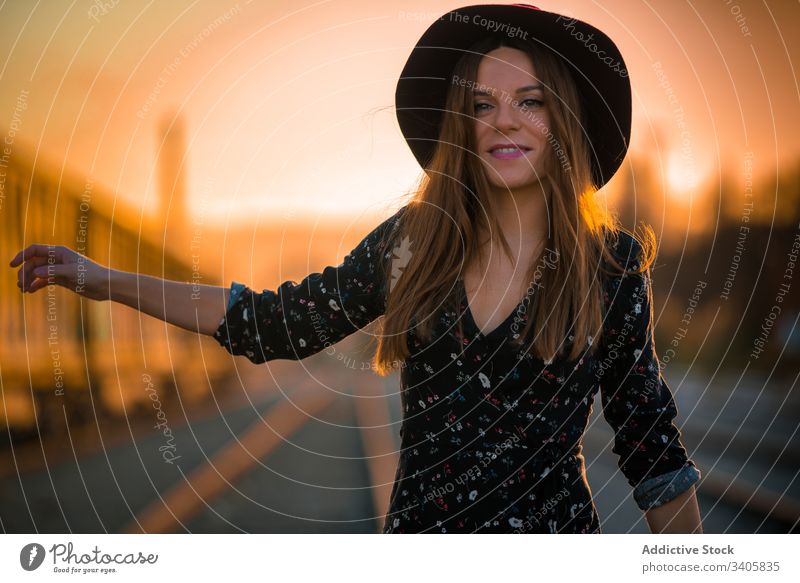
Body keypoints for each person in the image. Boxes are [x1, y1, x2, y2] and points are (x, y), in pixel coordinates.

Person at [9, 3, 702, 534]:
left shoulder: (610, 270)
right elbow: (274, 321)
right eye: (481, 105)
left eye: (531, 101)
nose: (503, 122)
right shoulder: (415, 247)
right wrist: (100, 279)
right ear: (461, 126)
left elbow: (656, 455)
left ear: (566, 120)